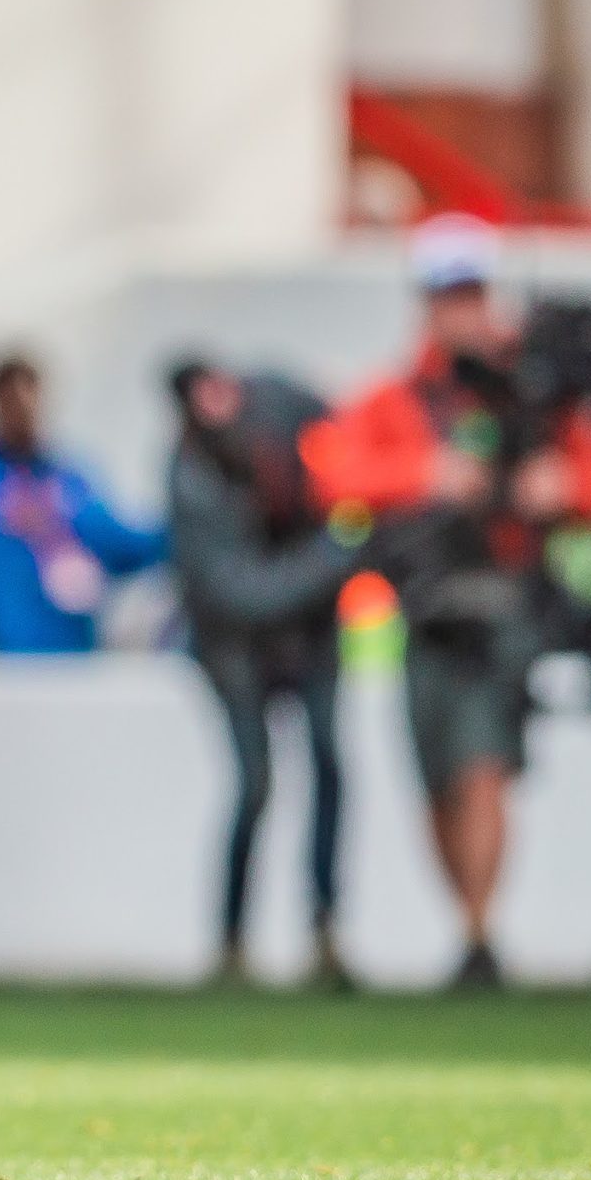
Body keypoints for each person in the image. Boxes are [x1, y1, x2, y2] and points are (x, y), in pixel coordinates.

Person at [302, 218, 591, 990]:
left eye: (473, 291)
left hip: (505, 602)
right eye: (449, 293)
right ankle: (469, 927)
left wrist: (560, 487)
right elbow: (334, 472)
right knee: (437, 777)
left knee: (482, 766)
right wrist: (428, 475)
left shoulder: (533, 390)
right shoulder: (397, 396)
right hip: (423, 610)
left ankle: (481, 930)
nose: (463, 308)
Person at [166, 361, 360, 985]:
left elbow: (349, 435)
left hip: (309, 635)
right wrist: (335, 556)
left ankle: (325, 931)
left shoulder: (283, 402)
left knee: (329, 766)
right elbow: (241, 594)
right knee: (256, 787)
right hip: (236, 648)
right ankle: (230, 943)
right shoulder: (192, 480)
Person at [0, 353, 166, 653]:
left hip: (72, 657)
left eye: (31, 396)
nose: (23, 410)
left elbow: (119, 543)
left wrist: (184, 528)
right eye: (11, 399)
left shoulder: (71, 478)